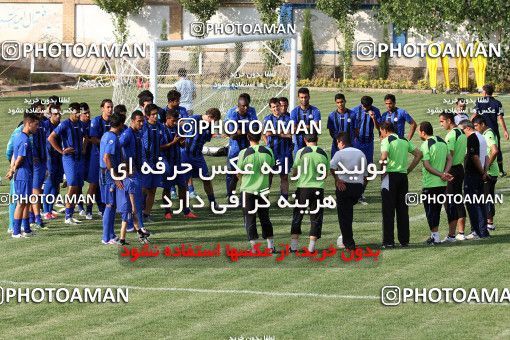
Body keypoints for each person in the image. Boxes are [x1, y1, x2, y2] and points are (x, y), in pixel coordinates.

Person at [379, 121, 422, 248]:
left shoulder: (387, 140)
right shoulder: (404, 139)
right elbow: (419, 154)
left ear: (385, 130)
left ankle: (389, 241)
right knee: (403, 209)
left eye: (381, 132)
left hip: (390, 176)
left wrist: (382, 172)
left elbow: (384, 158)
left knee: (388, 210)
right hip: (403, 177)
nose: (381, 134)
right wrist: (408, 170)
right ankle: (404, 240)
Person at [289, 133, 329, 252]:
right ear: (317, 139)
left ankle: (294, 247)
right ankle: (311, 248)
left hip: (303, 188)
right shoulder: (323, 153)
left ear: (305, 140)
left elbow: (295, 172)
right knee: (316, 217)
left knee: (297, 216)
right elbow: (325, 174)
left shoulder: (301, 152)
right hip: (318, 188)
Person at [237, 132, 276, 252]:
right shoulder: (268, 151)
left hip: (247, 190)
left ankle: (254, 248)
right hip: (263, 190)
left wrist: (244, 181)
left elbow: (239, 172)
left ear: (248, 138)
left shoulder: (244, 153)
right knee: (265, 218)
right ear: (260, 137)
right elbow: (271, 171)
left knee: (249, 218)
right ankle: (270, 246)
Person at [48, 103, 85, 225]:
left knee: (77, 187)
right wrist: (61, 151)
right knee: (72, 186)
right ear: (71, 112)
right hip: (69, 159)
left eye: (79, 111)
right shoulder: (64, 124)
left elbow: (86, 138)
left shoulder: (80, 124)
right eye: (76, 112)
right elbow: (51, 138)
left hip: (79, 159)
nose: (78, 114)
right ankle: (67, 216)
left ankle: (70, 213)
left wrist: (83, 148)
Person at [417, 121, 453, 245]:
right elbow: (450, 159)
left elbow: (427, 165)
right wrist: (445, 173)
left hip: (430, 184)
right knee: (436, 210)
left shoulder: (426, 144)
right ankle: (434, 236)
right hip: (442, 184)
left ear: (423, 132)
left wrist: (441, 174)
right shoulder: (442, 141)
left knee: (430, 211)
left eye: (419, 131)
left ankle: (435, 237)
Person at [6, 112, 40, 238]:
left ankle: (26, 229)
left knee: (26, 202)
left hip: (26, 174)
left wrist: (11, 169)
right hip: (23, 175)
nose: (37, 127)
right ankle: (15, 231)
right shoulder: (25, 139)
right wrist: (13, 170)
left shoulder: (18, 136)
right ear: (28, 124)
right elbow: (19, 158)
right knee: (21, 202)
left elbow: (14, 154)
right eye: (35, 125)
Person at [119, 110, 151, 243]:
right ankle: (141, 230)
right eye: (139, 121)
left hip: (136, 171)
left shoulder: (138, 133)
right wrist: (123, 166)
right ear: (132, 121)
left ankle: (124, 237)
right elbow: (116, 148)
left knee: (132, 206)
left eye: (143, 121)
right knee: (135, 204)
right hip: (130, 174)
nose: (142, 123)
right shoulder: (127, 134)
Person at [330, 132, 366, 250]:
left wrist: (337, 180)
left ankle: (348, 242)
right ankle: (346, 238)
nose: (337, 145)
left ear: (341, 142)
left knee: (344, 216)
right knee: (348, 212)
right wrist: (362, 187)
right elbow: (366, 174)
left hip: (344, 187)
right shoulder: (360, 153)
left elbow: (332, 167)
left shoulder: (339, 154)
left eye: (337, 143)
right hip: (357, 187)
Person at [181, 108, 221, 210]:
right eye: (214, 120)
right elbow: (180, 129)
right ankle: (185, 207)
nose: (214, 123)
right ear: (210, 117)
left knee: (206, 179)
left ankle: (213, 203)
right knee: (184, 180)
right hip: (185, 154)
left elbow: (205, 139)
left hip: (198, 156)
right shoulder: (193, 119)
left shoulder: (210, 126)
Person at [160, 108, 197, 219]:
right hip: (167, 163)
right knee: (167, 188)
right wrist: (173, 142)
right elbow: (159, 147)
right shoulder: (161, 130)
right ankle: (167, 211)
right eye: (173, 120)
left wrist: (182, 141)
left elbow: (181, 145)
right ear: (167, 119)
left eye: (176, 121)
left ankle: (186, 211)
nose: (175, 123)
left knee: (183, 186)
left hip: (178, 162)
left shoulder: (178, 129)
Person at [458, 119, 490, 239]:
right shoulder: (481, 137)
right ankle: (483, 231)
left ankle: (479, 231)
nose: (461, 133)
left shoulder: (471, 138)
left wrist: (482, 172)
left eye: (462, 130)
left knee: (473, 203)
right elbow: (486, 157)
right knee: (480, 203)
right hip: (480, 175)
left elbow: (475, 157)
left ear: (467, 128)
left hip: (472, 175)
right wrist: (485, 172)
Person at [439, 111, 467, 241]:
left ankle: (451, 235)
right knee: (458, 200)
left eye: (442, 121)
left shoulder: (451, 135)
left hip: (452, 170)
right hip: (459, 169)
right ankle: (461, 232)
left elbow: (449, 156)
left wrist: (443, 172)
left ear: (449, 121)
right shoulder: (462, 132)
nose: (441, 124)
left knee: (449, 202)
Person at [471, 84, 508, 177]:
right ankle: (500, 171)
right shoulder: (498, 103)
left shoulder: (479, 102)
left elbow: (474, 115)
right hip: (493, 131)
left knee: (480, 149)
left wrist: (468, 126)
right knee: (496, 150)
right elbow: (500, 118)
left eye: (482, 91)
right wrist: (505, 131)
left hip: (480, 130)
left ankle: (480, 168)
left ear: (485, 92)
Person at [225, 93, 258, 197]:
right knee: (232, 172)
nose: (246, 107)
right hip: (235, 147)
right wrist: (247, 131)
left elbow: (255, 129)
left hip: (248, 145)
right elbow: (233, 134)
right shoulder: (232, 113)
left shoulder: (251, 111)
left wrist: (241, 131)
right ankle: (231, 195)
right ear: (238, 105)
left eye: (247, 105)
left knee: (247, 170)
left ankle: (245, 195)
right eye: (243, 106)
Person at [351, 95, 382, 204]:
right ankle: (354, 192)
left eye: (368, 107)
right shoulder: (354, 111)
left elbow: (379, 128)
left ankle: (361, 192)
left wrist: (373, 118)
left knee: (369, 170)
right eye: (364, 107)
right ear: (361, 104)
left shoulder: (376, 111)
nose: (366, 108)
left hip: (368, 143)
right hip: (357, 142)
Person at [99, 113, 124, 245]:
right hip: (108, 174)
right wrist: (115, 177)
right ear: (120, 124)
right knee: (109, 205)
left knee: (112, 205)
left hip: (107, 172)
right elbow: (106, 158)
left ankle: (111, 234)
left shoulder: (107, 135)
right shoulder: (111, 138)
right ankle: (106, 238)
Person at [141, 103, 167, 222]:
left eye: (156, 114)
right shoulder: (143, 127)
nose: (155, 116)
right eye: (153, 114)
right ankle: (137, 212)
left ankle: (146, 214)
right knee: (143, 189)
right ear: (147, 116)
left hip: (157, 163)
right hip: (145, 163)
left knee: (153, 189)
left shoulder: (161, 127)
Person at [263, 97, 293, 200]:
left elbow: (289, 134)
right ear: (270, 108)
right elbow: (265, 133)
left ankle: (284, 199)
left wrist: (274, 132)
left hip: (284, 152)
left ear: (280, 106)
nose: (276, 108)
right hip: (271, 152)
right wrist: (267, 143)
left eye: (277, 106)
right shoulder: (267, 119)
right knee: (269, 175)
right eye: (273, 107)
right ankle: (265, 197)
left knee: (284, 176)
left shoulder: (288, 119)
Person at [473, 116, 499, 232]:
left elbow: (494, 150)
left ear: (482, 124)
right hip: (490, 171)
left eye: (476, 126)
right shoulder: (487, 133)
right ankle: (489, 222)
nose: (475, 129)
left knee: (486, 198)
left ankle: (489, 223)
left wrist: (486, 168)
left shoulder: (488, 134)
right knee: (488, 197)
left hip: (489, 173)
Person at [87, 99, 113, 217]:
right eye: (108, 107)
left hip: (110, 158)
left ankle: (104, 208)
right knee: (93, 184)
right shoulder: (96, 121)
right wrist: (106, 143)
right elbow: (93, 138)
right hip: (96, 157)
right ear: (102, 108)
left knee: (106, 184)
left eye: (111, 107)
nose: (110, 109)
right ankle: (88, 209)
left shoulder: (114, 121)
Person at [42, 104, 63, 220]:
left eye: (59, 113)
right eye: (55, 114)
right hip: (49, 158)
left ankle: (50, 208)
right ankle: (45, 210)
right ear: (50, 114)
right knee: (50, 182)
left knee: (56, 183)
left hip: (59, 158)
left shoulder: (61, 125)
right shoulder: (45, 126)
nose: (58, 116)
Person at [290, 87, 321, 156]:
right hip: (298, 143)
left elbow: (316, 127)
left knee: (311, 162)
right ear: (298, 98)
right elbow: (293, 129)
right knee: (298, 164)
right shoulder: (294, 112)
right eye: (301, 97)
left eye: (305, 97)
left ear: (309, 97)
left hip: (311, 142)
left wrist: (299, 126)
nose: (303, 99)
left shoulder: (315, 111)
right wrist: (309, 126)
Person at [327, 93, 355, 157]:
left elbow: (356, 130)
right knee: (335, 165)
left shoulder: (352, 114)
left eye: (342, 102)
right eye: (338, 102)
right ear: (336, 103)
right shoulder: (331, 115)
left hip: (349, 144)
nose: (340, 104)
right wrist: (338, 140)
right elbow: (331, 131)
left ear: (345, 101)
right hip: (336, 145)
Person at [77, 102, 91, 218]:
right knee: (78, 184)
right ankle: (80, 206)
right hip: (80, 159)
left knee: (94, 183)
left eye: (88, 113)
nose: (88, 115)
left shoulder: (92, 124)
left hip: (91, 158)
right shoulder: (77, 125)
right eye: (85, 113)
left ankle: (91, 207)